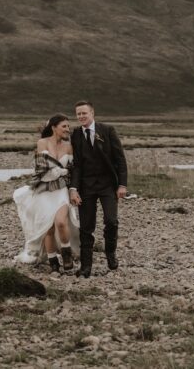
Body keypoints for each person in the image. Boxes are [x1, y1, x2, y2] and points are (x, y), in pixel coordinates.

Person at [69, 100, 128, 277]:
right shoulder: (77, 135)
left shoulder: (107, 130)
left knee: (111, 221)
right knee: (86, 227)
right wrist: (73, 188)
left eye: (84, 113)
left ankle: (110, 252)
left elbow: (120, 159)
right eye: (78, 114)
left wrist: (122, 184)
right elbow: (77, 165)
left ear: (92, 113)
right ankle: (86, 266)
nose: (81, 117)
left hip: (107, 185)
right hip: (86, 186)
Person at [13, 114, 78, 272]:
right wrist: (62, 170)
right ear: (54, 127)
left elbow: (71, 170)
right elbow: (43, 169)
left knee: (61, 222)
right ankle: (52, 260)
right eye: (64, 126)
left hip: (61, 189)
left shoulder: (69, 146)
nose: (67, 129)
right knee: (48, 227)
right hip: (44, 190)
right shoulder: (42, 143)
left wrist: (67, 180)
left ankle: (66, 253)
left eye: (68, 127)